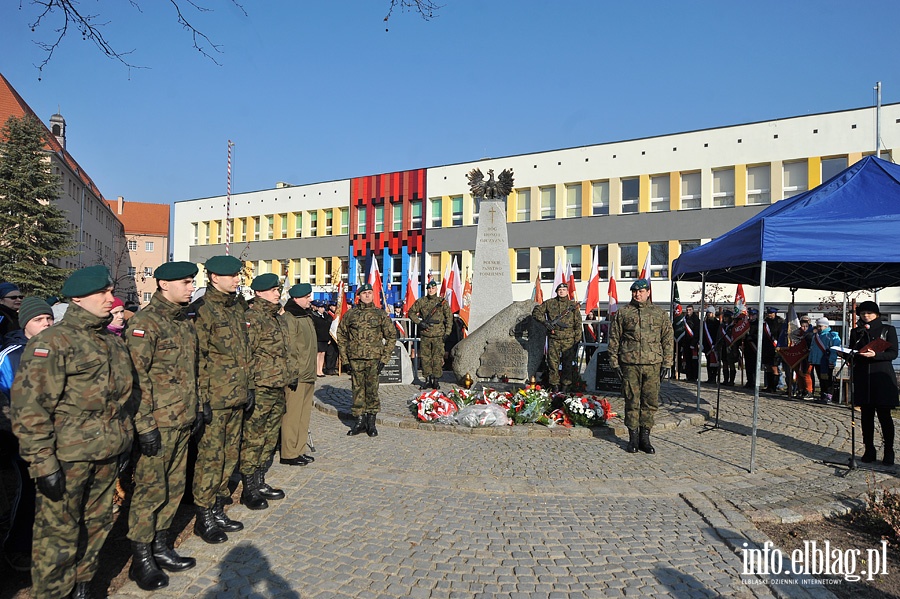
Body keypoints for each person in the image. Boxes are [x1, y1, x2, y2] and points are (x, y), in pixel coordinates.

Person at [11, 266, 134, 599]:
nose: (111, 299)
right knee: (57, 537)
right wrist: (42, 463)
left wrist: (125, 439)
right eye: (103, 294)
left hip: (107, 453)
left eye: (111, 292)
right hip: (67, 458)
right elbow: (30, 408)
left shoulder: (111, 341)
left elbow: (124, 397)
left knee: (98, 526)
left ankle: (83, 586)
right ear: (79, 299)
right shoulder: (54, 342)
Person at [123, 261, 201, 590]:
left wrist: (196, 409)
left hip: (182, 419)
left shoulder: (183, 322)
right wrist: (144, 426)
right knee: (149, 492)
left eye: (191, 282)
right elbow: (135, 381)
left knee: (173, 488)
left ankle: (161, 545)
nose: (190, 287)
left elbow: (191, 372)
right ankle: (141, 560)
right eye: (185, 282)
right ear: (164, 285)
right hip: (157, 423)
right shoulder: (145, 323)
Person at [187, 255, 253, 544]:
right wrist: (201, 401)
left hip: (236, 395)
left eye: (237, 275)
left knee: (228, 456)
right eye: (231, 276)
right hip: (215, 398)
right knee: (210, 459)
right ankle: (203, 515)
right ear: (214, 278)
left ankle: (217, 507)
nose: (237, 280)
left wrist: (248, 386)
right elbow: (198, 358)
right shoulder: (202, 310)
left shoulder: (237, 306)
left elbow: (244, 351)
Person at [0, 297, 54, 573]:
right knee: (28, 493)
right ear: (25, 325)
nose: (45, 323)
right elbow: (11, 396)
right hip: (24, 435)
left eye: (49, 318)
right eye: (38, 320)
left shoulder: (58, 347)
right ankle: (16, 546)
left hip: (56, 437)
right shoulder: (12, 354)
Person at [240, 273, 292, 506]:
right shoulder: (252, 318)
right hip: (260, 387)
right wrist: (249, 387)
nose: (277, 293)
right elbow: (246, 355)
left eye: (277, 289)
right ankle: (248, 487)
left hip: (276, 385)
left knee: (270, 437)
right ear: (259, 292)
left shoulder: (276, 318)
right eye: (272, 290)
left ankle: (260, 480)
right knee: (254, 437)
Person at [607, 279, 674, 455]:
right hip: (630, 364)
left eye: (641, 291)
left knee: (650, 402)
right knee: (631, 400)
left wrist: (667, 362)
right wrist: (614, 362)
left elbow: (667, 339)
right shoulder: (623, 313)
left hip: (653, 364)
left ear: (648, 292)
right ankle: (633, 439)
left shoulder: (659, 313)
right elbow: (614, 338)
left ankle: (645, 438)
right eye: (635, 291)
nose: (638, 294)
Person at [336, 283, 397, 437]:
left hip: (374, 359)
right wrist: (345, 360)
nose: (368, 295)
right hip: (355, 359)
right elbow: (341, 336)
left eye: (370, 292)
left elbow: (391, 336)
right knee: (357, 390)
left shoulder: (380, 314)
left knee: (372, 391)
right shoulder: (351, 315)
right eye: (365, 293)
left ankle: (371, 423)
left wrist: (384, 358)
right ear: (359, 296)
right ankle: (359, 421)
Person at [849, 301, 899, 465]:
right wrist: (848, 355)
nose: (866, 316)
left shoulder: (888, 330)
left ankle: (889, 451)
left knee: (884, 416)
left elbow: (893, 354)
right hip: (863, 378)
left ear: (876, 314)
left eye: (869, 313)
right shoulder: (856, 331)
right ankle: (869, 449)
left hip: (881, 377)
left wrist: (875, 355)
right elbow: (853, 350)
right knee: (866, 416)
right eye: (863, 313)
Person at [281, 283, 317, 465]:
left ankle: (299, 448)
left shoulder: (305, 316)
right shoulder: (290, 317)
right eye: (306, 297)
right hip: (297, 374)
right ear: (296, 298)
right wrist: (292, 373)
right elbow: (290, 348)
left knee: (304, 415)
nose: (310, 299)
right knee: (292, 415)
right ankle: (289, 452)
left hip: (308, 373)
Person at [532, 283, 582, 392]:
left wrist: (577, 340)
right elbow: (536, 312)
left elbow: (578, 324)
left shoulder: (572, 306)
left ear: (567, 292)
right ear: (556, 291)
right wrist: (545, 322)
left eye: (564, 289)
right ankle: (554, 387)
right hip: (554, 338)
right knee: (552, 364)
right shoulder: (550, 303)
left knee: (567, 364)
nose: (562, 291)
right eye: (560, 289)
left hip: (569, 340)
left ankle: (565, 388)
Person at [408, 280, 451, 390]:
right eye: (429, 288)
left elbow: (449, 317)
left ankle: (436, 380)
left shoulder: (442, 302)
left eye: (432, 288)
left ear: (436, 289)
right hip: (426, 333)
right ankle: (427, 379)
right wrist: (419, 322)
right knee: (425, 358)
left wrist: (447, 332)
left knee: (437, 358)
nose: (430, 290)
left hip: (438, 334)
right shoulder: (421, 301)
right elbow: (411, 312)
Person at [809, 318, 840, 404]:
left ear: (826, 326)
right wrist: (811, 359)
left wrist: (832, 361)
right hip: (817, 361)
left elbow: (834, 350)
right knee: (821, 379)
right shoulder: (815, 336)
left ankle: (829, 395)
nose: (819, 328)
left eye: (820, 326)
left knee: (828, 379)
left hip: (826, 362)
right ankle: (823, 395)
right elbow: (812, 349)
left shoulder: (831, 335)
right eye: (818, 326)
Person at [761, 307, 784, 393]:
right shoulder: (765, 322)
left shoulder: (779, 322)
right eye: (768, 313)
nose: (769, 315)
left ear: (775, 313)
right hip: (766, 346)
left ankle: (774, 387)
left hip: (775, 346)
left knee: (774, 367)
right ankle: (769, 386)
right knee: (768, 367)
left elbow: (780, 334)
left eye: (771, 313)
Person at [311, 300, 334, 378]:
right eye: (321, 307)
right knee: (318, 354)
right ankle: (317, 370)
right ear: (317, 308)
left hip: (325, 337)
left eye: (323, 307)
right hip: (318, 338)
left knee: (323, 354)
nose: (322, 309)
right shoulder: (314, 316)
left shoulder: (326, 316)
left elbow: (328, 327)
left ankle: (321, 370)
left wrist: (329, 338)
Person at [716, 309, 739, 386]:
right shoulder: (722, 326)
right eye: (724, 317)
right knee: (724, 363)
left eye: (726, 317)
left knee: (731, 364)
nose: (725, 319)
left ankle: (731, 380)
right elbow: (719, 336)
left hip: (731, 348)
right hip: (723, 347)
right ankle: (726, 380)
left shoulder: (733, 326)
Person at [679, 305, 700, 381]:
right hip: (686, 343)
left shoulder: (696, 319)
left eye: (690, 310)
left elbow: (697, 332)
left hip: (693, 344)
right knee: (687, 360)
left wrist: (693, 343)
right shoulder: (685, 319)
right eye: (687, 310)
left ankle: (694, 376)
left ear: (693, 310)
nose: (688, 311)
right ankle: (689, 376)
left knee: (694, 361)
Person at [742, 308, 760, 389]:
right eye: (750, 315)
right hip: (747, 348)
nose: (751, 317)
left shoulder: (758, 324)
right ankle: (749, 381)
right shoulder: (746, 324)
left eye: (753, 315)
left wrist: (752, 337)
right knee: (748, 365)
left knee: (754, 366)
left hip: (755, 347)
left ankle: (754, 381)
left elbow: (760, 335)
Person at [701, 306, 720, 384]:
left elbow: (718, 334)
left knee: (715, 363)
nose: (708, 314)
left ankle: (714, 378)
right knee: (709, 362)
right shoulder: (705, 323)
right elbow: (703, 335)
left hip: (714, 345)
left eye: (710, 313)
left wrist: (716, 344)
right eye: (708, 313)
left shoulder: (717, 323)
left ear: (713, 313)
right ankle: (709, 377)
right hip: (707, 346)